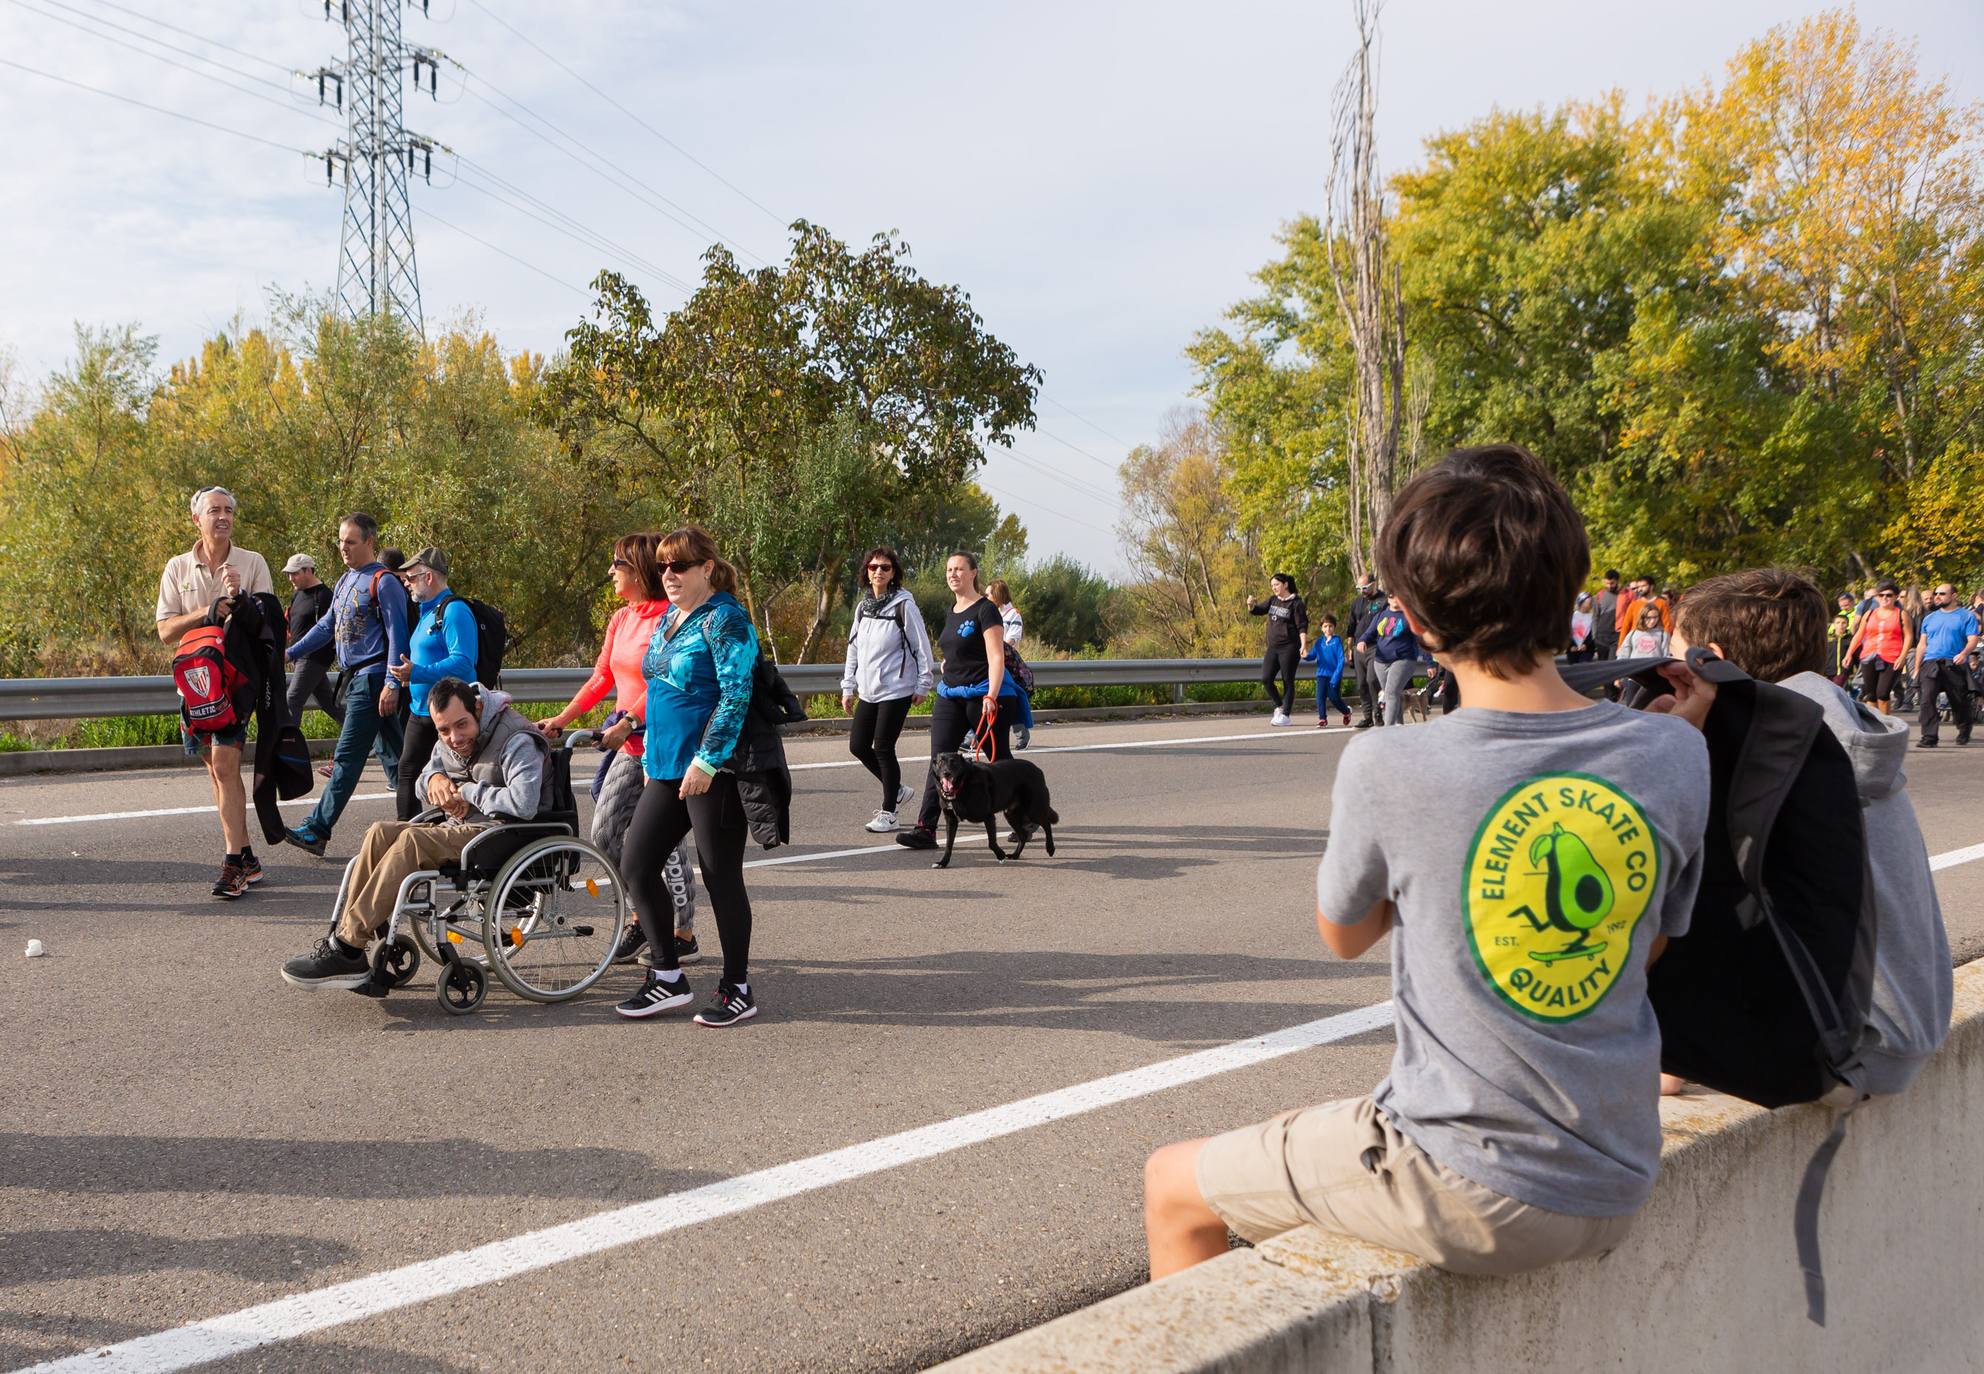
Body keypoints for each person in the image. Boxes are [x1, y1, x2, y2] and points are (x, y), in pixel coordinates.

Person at [1144, 443, 1709, 1283]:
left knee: (1170, 1183)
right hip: (1619, 1172)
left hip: (1469, 1182)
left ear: (1413, 613)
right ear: (1570, 586)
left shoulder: (1389, 763)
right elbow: (1643, 945)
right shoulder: (1674, 750)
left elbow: (1343, 934)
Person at [1665, 570, 1950, 1095]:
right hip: (1904, 1027)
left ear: (1712, 659)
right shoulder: (1838, 717)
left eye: (1675, 654)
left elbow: (1712, 901)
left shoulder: (1765, 746)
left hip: (1840, 1045)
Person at [278, 677, 548, 989]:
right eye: (444, 730)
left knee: (411, 842)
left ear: (477, 708)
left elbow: (524, 803)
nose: (454, 737)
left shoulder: (516, 739)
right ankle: (351, 943)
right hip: (461, 827)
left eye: (461, 726)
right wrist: (434, 781)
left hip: (501, 832)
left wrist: (468, 792)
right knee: (380, 832)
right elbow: (423, 780)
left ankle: (349, 943)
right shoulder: (449, 738)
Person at [614, 526, 762, 1026]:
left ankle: (737, 987)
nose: (669, 575)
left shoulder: (726, 619)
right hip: (664, 764)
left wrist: (707, 760)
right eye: (663, 566)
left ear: (705, 568)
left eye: (679, 566)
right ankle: (667, 978)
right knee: (636, 862)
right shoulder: (673, 619)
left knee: (721, 878)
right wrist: (631, 722)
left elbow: (735, 695)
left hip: (711, 771)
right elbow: (658, 685)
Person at [539, 533, 700, 969]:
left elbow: (663, 683)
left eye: (617, 564)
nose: (611, 571)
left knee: (665, 844)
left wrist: (630, 719)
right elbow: (600, 680)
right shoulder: (622, 619)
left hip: (662, 743)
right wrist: (561, 720)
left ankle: (681, 932)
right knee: (605, 836)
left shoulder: (670, 618)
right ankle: (644, 918)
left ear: (637, 569)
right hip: (630, 744)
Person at [156, 485, 276, 899]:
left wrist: (240, 598)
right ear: (197, 519)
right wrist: (206, 613)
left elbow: (270, 625)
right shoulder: (177, 567)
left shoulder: (253, 562)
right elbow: (166, 630)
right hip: (194, 685)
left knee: (226, 768)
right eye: (214, 511)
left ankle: (231, 865)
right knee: (216, 771)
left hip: (237, 682)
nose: (222, 517)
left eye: (228, 511)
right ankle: (247, 857)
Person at [280, 512, 412, 857]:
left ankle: (317, 829)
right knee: (401, 760)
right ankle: (433, 818)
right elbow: (327, 627)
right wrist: (290, 653)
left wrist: (391, 684)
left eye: (351, 542)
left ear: (369, 542)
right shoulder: (344, 581)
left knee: (348, 758)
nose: (343, 548)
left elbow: (399, 636)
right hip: (354, 679)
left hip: (372, 680)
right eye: (340, 541)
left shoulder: (383, 582)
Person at [897, 551, 1015, 851]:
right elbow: (955, 650)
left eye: (959, 569)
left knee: (999, 759)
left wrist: (991, 694)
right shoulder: (953, 609)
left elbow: (996, 655)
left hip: (982, 695)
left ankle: (1021, 813)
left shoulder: (986, 610)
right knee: (939, 761)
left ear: (973, 573)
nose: (953, 574)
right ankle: (926, 829)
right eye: (949, 569)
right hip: (951, 695)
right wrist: (948, 664)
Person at [842, 545, 935, 832]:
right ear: (866, 572)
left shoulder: (904, 605)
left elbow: (922, 646)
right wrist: (848, 686)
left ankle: (889, 813)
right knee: (858, 745)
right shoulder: (863, 607)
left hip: (897, 689)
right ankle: (895, 789)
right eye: (873, 567)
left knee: (883, 746)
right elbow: (853, 649)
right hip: (869, 690)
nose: (879, 572)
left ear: (894, 573)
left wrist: (923, 683)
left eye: (885, 567)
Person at [386, 548, 478, 820]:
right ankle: (405, 835)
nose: (406, 582)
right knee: (408, 772)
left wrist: (417, 673)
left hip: (451, 713)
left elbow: (464, 663)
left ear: (428, 577)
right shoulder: (427, 613)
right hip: (421, 711)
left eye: (411, 578)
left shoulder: (454, 611)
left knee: (453, 775)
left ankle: (458, 830)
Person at [1910, 582, 1977, 749]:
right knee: (1926, 700)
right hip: (1931, 663)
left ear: (1953, 596)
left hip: (1953, 663)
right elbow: (1922, 644)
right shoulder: (1930, 618)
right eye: (1936, 594)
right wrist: (1917, 668)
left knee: (1958, 700)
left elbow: (1973, 639)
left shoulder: (1966, 616)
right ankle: (1929, 737)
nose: (1937, 597)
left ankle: (1964, 728)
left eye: (1942, 593)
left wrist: (1964, 654)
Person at [282, 554, 343, 730]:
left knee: (293, 699)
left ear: (308, 570)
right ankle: (366, 737)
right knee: (329, 703)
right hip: (297, 656)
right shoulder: (297, 595)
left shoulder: (324, 596)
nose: (291, 578)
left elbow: (331, 628)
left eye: (295, 573)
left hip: (314, 657)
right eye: (289, 574)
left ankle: (289, 744)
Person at [1249, 574, 1310, 726]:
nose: (1274, 588)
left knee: (1287, 680)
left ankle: (1286, 715)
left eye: (1276, 585)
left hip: (1290, 647)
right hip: (1273, 647)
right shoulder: (1273, 600)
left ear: (1285, 584)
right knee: (1266, 678)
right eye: (1272, 586)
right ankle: (1280, 705)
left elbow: (1302, 625)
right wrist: (1250, 605)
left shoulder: (1296, 603)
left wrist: (1303, 645)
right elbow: (1258, 610)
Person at [1844, 579, 1912, 715]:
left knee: (1883, 693)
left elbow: (1909, 636)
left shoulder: (1901, 614)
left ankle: (1886, 725)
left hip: (1892, 657)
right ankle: (1874, 727)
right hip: (1869, 656)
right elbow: (1859, 635)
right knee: (1871, 695)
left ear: (1895, 597)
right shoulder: (1869, 614)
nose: (1885, 598)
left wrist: (1903, 656)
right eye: (1881, 595)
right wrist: (1849, 654)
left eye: (1889, 595)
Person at [1358, 593, 1422, 727]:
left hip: (1403, 659)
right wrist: (1362, 641)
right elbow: (1369, 633)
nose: (1395, 600)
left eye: (1399, 596)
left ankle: (1387, 729)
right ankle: (1398, 726)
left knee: (1391, 693)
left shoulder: (1409, 616)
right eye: (1392, 596)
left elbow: (1420, 639)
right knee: (1393, 694)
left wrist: (1430, 663)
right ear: (1388, 598)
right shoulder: (1381, 615)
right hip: (1381, 661)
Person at [1345, 572, 1387, 729]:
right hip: (1358, 648)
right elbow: (1351, 627)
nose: (1362, 591)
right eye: (1359, 588)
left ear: (1373, 584)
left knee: (1372, 680)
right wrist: (1350, 648)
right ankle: (1367, 716)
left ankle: (1378, 713)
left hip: (1376, 646)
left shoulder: (1383, 601)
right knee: (1361, 683)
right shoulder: (1356, 603)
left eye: (1365, 587)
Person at [1304, 616, 1349, 727]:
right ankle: (1322, 719)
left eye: (1330, 626)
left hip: (1334, 676)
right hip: (1321, 675)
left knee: (1334, 698)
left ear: (1334, 627)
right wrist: (1305, 656)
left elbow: (1341, 660)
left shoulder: (1337, 640)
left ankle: (1346, 712)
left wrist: (1336, 676)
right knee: (1320, 697)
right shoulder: (1319, 642)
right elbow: (1312, 656)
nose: (1328, 628)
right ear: (1322, 628)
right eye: (1325, 626)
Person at [1592, 570, 1622, 662]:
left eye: (1612, 583)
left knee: (1613, 663)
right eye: (1607, 583)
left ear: (1617, 581)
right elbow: (1595, 617)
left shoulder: (1625, 595)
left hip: (1617, 635)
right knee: (1602, 664)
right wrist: (1594, 636)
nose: (1609, 586)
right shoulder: (1599, 595)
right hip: (1601, 635)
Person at [987, 579, 1024, 644]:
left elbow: (1011, 640)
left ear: (996, 595)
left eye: (987, 595)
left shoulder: (1014, 614)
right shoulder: (992, 613)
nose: (985, 598)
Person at [1568, 593, 1596, 663]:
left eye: (1590, 603)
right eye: (1586, 602)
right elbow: (1567, 633)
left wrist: (1586, 644)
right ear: (1581, 603)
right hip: (1573, 649)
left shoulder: (1592, 617)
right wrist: (1570, 646)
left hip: (1587, 649)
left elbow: (1593, 633)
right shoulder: (1572, 616)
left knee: (1583, 665)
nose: (1588, 605)